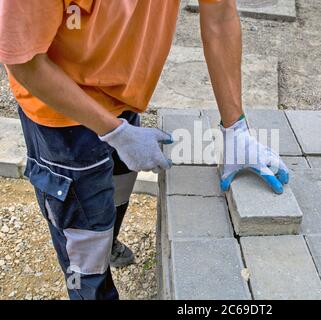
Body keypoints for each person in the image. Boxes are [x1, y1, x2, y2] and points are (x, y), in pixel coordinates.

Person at [0, 0, 289, 300]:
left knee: (118, 187)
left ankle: (107, 241)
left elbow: (219, 16)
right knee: (83, 252)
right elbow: (23, 61)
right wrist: (115, 132)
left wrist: (236, 130)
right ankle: (89, 283)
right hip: (61, 116)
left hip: (122, 94)